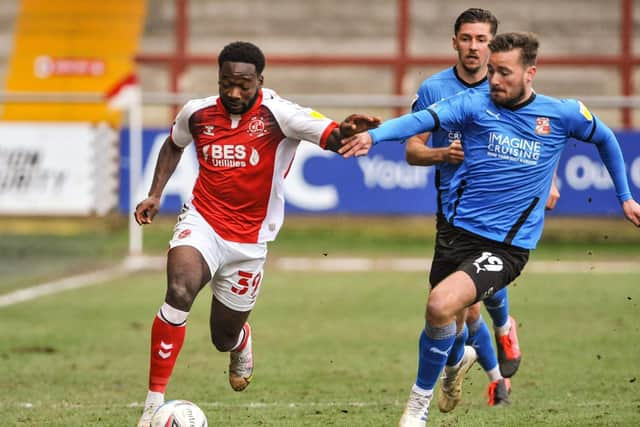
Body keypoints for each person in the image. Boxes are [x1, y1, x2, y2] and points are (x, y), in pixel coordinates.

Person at [341, 32, 640, 426]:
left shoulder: (561, 114)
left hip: (506, 246)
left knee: (441, 305)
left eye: (503, 72)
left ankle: (416, 407)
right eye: (492, 71)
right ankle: (458, 362)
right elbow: (421, 120)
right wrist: (373, 137)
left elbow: (604, 138)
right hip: (456, 231)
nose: (494, 80)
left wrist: (625, 196)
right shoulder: (473, 104)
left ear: (530, 73)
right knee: (442, 320)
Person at [133, 41, 380, 427]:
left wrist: (345, 132)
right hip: (202, 221)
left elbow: (331, 136)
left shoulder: (280, 114)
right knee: (179, 290)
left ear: (259, 81)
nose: (233, 93)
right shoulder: (196, 113)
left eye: (243, 86)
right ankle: (152, 404)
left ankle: (241, 341)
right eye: (226, 84)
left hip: (249, 243)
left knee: (222, 336)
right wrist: (155, 192)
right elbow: (173, 144)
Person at [405, 8, 559, 411]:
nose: (474, 47)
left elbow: (539, 136)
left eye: (482, 40)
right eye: (467, 38)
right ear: (454, 41)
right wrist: (442, 152)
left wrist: (549, 180)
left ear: (494, 46)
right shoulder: (435, 89)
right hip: (454, 212)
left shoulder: (508, 87)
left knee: (464, 301)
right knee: (460, 313)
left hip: (498, 215)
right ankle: (472, 368)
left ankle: (497, 350)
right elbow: (412, 149)